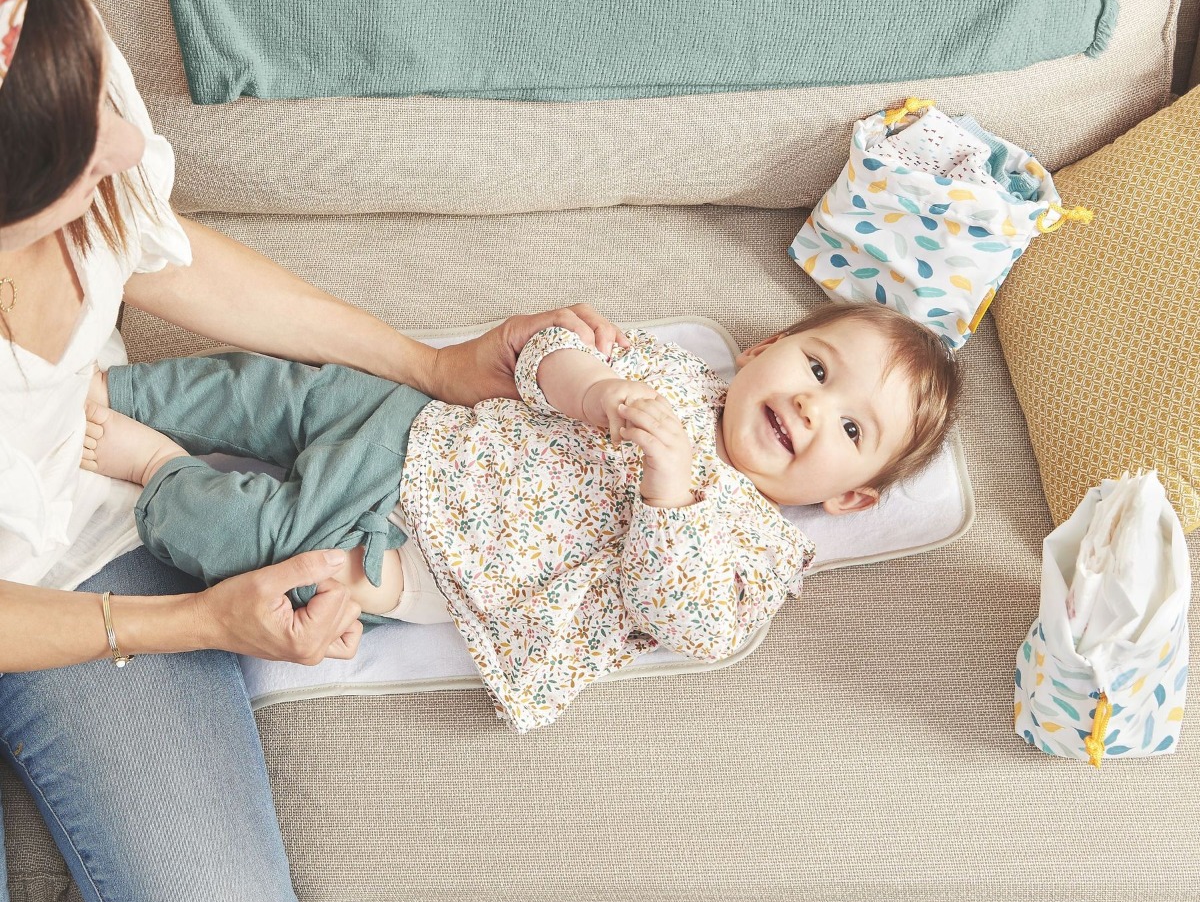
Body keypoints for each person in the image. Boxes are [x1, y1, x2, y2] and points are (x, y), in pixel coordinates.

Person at [0, 0, 630, 902]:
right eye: (85, 136)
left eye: (108, 90)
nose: (131, 141)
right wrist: (196, 623)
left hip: (85, 537)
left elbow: (170, 253)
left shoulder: (55, 66)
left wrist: (427, 364)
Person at [81, 297, 963, 735]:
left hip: (408, 558)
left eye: (851, 427)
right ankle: (100, 390)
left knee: (262, 548)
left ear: (850, 498)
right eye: (816, 367)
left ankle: (153, 465)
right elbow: (548, 346)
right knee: (267, 387)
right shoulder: (664, 372)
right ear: (765, 350)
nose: (812, 407)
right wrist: (592, 389)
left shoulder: (755, 549)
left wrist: (672, 488)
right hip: (413, 423)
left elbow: (686, 619)